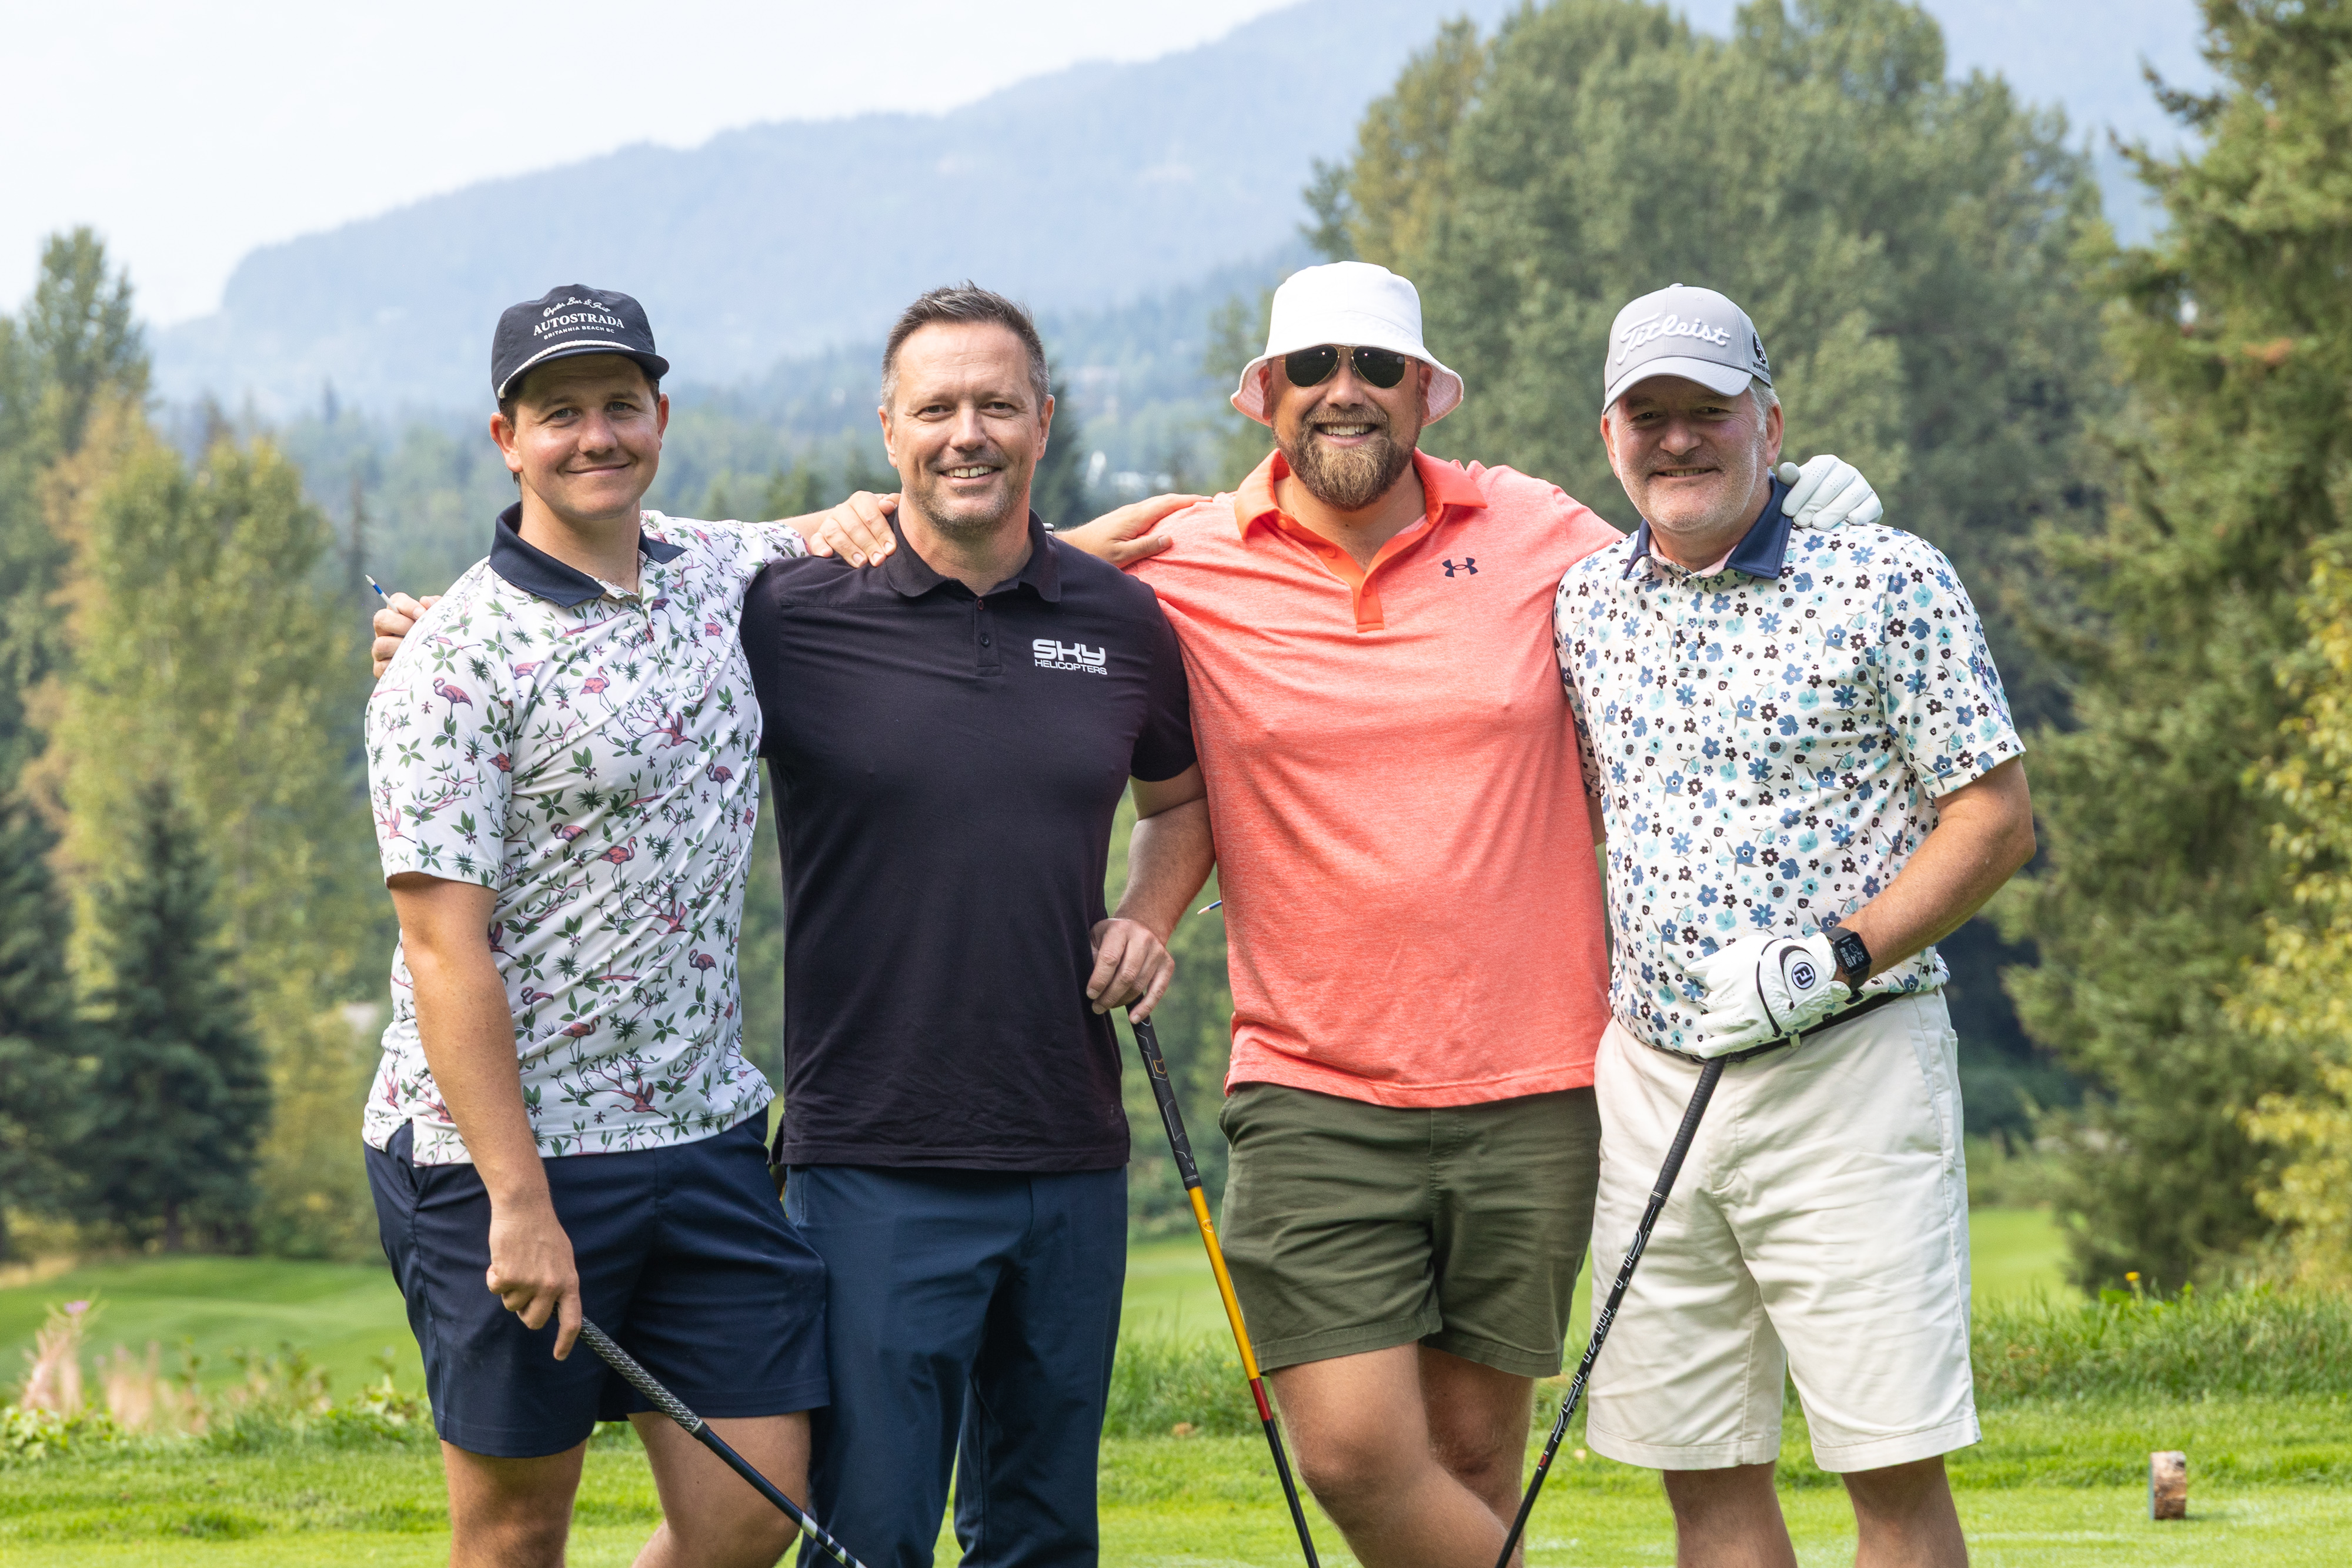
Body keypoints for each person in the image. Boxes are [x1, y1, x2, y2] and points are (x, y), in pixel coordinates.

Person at [803, 260, 1880, 1568]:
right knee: (1356, 1454)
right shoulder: (1187, 557)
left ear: (1425, 393)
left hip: (1532, 1082)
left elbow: (1683, 557)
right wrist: (847, 525)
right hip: (1311, 1081)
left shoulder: (1535, 527)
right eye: (1312, 367)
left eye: (1376, 367)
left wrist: (1798, 509)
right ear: (1267, 396)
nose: (1344, 390)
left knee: (1472, 1461)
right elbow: (996, 565)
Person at [1553, 283, 2037, 1568]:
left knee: (1889, 1471)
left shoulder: (1886, 577)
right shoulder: (1585, 603)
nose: (1677, 439)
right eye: (1647, 414)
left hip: (1849, 1071)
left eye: (1707, 411)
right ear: (1608, 437)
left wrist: (1838, 955)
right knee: (1703, 1477)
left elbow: (1993, 819)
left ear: (1768, 423)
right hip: (1652, 1080)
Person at [364, 285, 842, 1568]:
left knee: (750, 1516)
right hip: (503, 1157)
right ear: (506, 439)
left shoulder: (711, 567)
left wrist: (1127, 539)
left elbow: (899, 529)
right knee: (518, 1535)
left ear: (660, 418)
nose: (596, 437)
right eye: (560, 413)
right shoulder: (451, 658)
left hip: (702, 1129)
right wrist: (518, 1200)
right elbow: (441, 949)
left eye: (619, 406)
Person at [736, 282, 1204, 1567]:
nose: (967, 433)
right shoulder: (791, 615)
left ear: (1043, 421)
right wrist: (443, 637)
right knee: (868, 1531)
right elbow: (614, 636)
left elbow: (1181, 800)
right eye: (936, 407)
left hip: (1068, 1151)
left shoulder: (1119, 620)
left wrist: (1147, 914)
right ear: (887, 428)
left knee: (1045, 1534)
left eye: (997, 405)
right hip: (870, 1154)